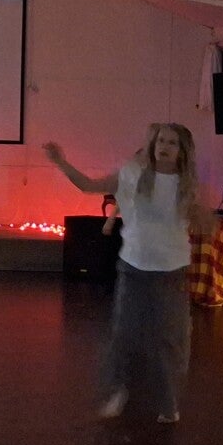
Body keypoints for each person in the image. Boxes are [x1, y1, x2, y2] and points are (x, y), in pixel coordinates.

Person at [44, 125, 212, 424]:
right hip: (133, 267)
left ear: (182, 151)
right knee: (124, 333)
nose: (165, 146)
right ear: (153, 145)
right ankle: (117, 390)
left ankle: (168, 403)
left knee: (167, 341)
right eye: (161, 141)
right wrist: (61, 162)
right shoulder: (132, 174)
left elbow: (205, 222)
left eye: (172, 143)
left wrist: (205, 218)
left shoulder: (186, 185)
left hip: (171, 271)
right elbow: (88, 185)